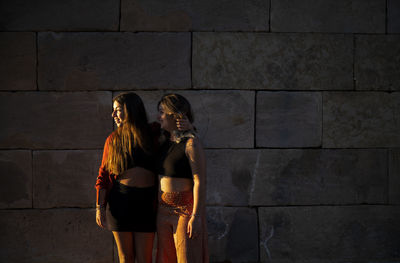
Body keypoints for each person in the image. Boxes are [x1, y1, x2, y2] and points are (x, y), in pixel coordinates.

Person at [95, 92, 158, 263]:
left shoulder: (153, 133)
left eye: (117, 110)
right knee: (126, 258)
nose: (113, 114)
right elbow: (104, 176)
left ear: (130, 109)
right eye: (113, 110)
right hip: (120, 201)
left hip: (146, 202)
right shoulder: (113, 139)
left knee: (145, 258)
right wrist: (99, 207)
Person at [156, 93, 209, 263]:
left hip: (184, 210)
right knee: (166, 258)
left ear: (175, 115)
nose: (159, 116)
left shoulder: (191, 144)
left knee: (186, 258)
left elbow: (200, 181)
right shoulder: (163, 140)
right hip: (162, 209)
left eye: (162, 112)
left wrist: (196, 216)